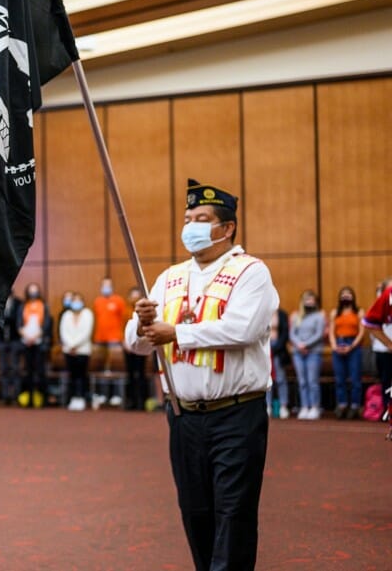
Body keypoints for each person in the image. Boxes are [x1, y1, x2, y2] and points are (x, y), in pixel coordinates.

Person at [125, 178, 278, 571]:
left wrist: (175, 332)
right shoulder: (170, 278)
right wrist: (142, 323)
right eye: (188, 217)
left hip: (236, 414)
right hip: (184, 416)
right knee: (196, 512)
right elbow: (136, 343)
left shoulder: (251, 273)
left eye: (202, 218)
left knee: (233, 511)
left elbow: (242, 330)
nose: (191, 225)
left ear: (227, 228)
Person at [328, 286, 365, 419]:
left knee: (355, 379)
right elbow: (332, 331)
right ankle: (342, 405)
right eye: (343, 294)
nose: (346, 297)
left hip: (353, 346)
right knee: (340, 379)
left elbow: (362, 331)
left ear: (353, 297)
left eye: (348, 294)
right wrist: (334, 345)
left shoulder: (359, 312)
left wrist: (352, 346)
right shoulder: (335, 313)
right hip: (338, 344)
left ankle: (355, 406)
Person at [290, 290, 325, 420]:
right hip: (298, 352)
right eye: (306, 300)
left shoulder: (319, 316)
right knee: (302, 381)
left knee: (312, 381)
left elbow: (319, 334)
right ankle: (305, 406)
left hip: (313, 352)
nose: (309, 302)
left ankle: (315, 407)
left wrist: (306, 345)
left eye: (311, 300)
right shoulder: (296, 316)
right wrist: (299, 345)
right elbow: (292, 334)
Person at [92, 277, 127, 407]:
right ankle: (102, 394)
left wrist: (123, 338)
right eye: (104, 285)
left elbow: (124, 320)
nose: (106, 287)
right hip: (100, 339)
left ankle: (116, 395)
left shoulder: (118, 301)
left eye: (108, 285)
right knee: (101, 368)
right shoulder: (98, 301)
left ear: (112, 287)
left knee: (115, 367)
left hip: (115, 339)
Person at [16, 283, 52, 408]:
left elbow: (47, 324)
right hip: (26, 343)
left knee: (40, 372)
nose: (33, 292)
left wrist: (36, 336)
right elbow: (18, 324)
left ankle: (42, 399)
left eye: (35, 290)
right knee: (28, 372)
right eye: (31, 290)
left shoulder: (44, 306)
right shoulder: (23, 306)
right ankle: (29, 399)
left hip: (39, 343)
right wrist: (27, 337)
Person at [362, 278, 392, 414]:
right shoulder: (385, 301)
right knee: (387, 381)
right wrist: (388, 344)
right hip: (384, 350)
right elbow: (369, 323)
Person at [59, 291, 93, 411]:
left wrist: (75, 345)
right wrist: (70, 345)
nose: (76, 302)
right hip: (68, 350)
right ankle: (73, 398)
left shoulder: (87, 314)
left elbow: (86, 332)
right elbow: (63, 332)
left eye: (79, 300)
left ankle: (81, 398)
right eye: (74, 300)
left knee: (81, 375)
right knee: (72, 375)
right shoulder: (66, 315)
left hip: (83, 350)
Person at [0, 292, 21, 405]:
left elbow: (19, 320)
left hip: (15, 339)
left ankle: (16, 395)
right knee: (3, 369)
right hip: (1, 340)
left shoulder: (18, 303)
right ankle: (5, 395)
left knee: (15, 369)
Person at [267, 308, 291, 419]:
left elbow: (285, 332)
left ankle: (283, 405)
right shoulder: (262, 312)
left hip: (278, 350)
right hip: (265, 348)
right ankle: (267, 405)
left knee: (281, 378)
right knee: (266, 379)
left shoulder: (282, 314)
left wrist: (277, 347)